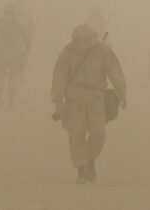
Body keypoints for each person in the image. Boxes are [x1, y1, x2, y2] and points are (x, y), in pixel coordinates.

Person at [51, 24, 127, 184]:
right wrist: (58, 100)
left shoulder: (104, 51)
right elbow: (59, 75)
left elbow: (114, 70)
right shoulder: (68, 52)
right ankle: (80, 170)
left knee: (98, 133)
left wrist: (122, 92)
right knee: (76, 134)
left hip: (96, 97)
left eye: (90, 39)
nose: (87, 43)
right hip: (74, 98)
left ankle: (90, 160)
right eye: (84, 40)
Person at [0, 5, 31, 108]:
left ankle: (11, 100)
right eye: (7, 12)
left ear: (14, 13)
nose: (9, 14)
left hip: (15, 53)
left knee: (12, 76)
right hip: (1, 52)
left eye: (11, 12)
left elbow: (27, 38)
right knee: (0, 75)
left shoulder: (20, 24)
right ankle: (0, 97)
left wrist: (25, 51)